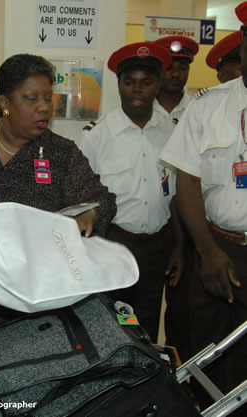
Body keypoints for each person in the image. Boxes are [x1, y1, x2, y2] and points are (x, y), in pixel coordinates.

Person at [0, 54, 117, 342]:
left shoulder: (60, 153)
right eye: (31, 98)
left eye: (49, 97)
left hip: (38, 299)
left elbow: (102, 199)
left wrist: (88, 215)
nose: (44, 107)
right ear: (5, 102)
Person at [159, 2, 247, 411]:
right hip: (217, 251)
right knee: (210, 356)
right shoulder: (209, 104)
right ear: (243, 43)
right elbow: (187, 181)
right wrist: (207, 251)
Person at [79, 42, 185, 343]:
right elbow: (84, 199)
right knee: (116, 321)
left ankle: (146, 380)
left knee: (148, 321)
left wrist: (179, 245)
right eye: (129, 82)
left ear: (158, 83)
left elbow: (177, 196)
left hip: (157, 246)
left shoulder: (173, 131)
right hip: (115, 244)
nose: (137, 90)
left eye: (146, 82)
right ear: (119, 85)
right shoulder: (97, 136)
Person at [153, 36, 199, 123]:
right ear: (158, 71)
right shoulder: (143, 108)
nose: (176, 74)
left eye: (182, 68)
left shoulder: (198, 109)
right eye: (169, 68)